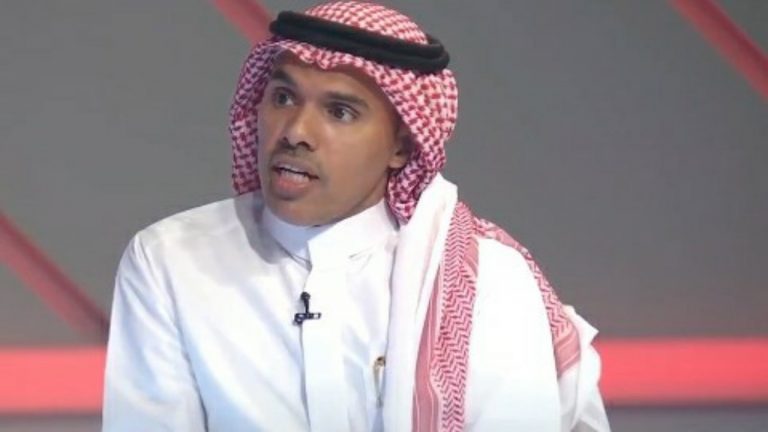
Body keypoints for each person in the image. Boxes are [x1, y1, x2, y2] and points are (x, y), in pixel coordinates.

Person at [102, 2, 611, 431]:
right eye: (283, 98)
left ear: (401, 145)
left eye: (340, 112)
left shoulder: (486, 282)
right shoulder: (172, 261)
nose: (295, 132)